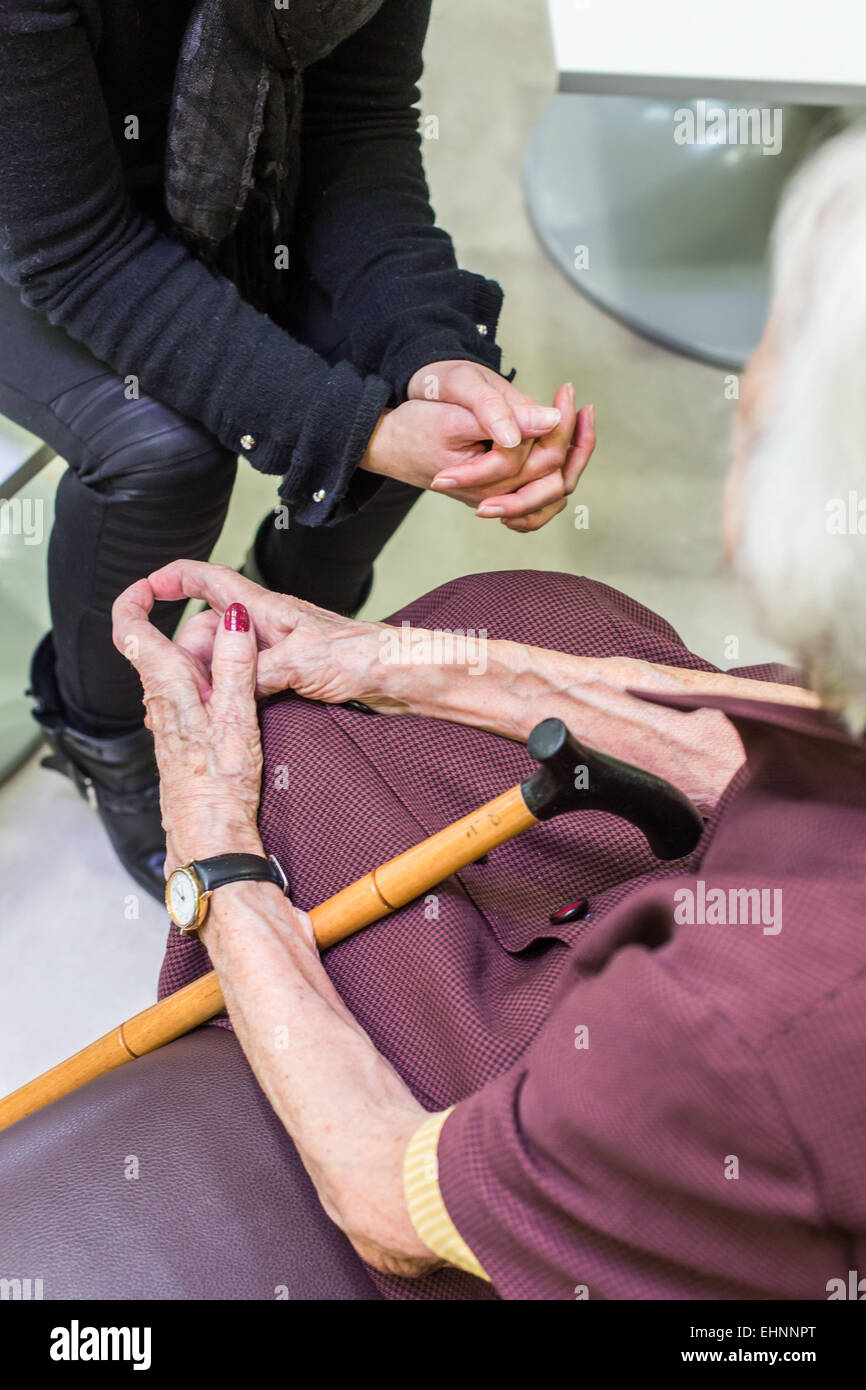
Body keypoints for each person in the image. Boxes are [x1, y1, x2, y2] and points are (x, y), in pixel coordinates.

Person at [3, 123, 865, 1303]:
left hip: (604, 1149)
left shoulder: (741, 1032)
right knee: (516, 616)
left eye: (753, 404)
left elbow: (385, 1200)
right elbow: (770, 731)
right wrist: (386, 658)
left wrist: (215, 856)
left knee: (298, 803)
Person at [0, 0, 593, 900]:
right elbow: (75, 247)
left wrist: (430, 355)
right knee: (164, 455)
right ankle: (109, 740)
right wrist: (356, 434)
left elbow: (359, 129)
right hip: (33, 216)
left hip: (220, 173)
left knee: (411, 384)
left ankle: (277, 645)